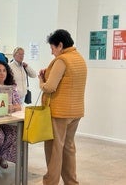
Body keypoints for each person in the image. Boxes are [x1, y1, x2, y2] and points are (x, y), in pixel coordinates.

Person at [38, 29, 87, 185]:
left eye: (52, 48)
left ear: (60, 45)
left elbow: (49, 87)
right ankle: (71, 182)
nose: (52, 53)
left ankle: (50, 182)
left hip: (59, 112)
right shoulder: (79, 58)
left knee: (54, 150)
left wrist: (41, 80)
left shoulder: (62, 60)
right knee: (68, 148)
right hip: (75, 112)